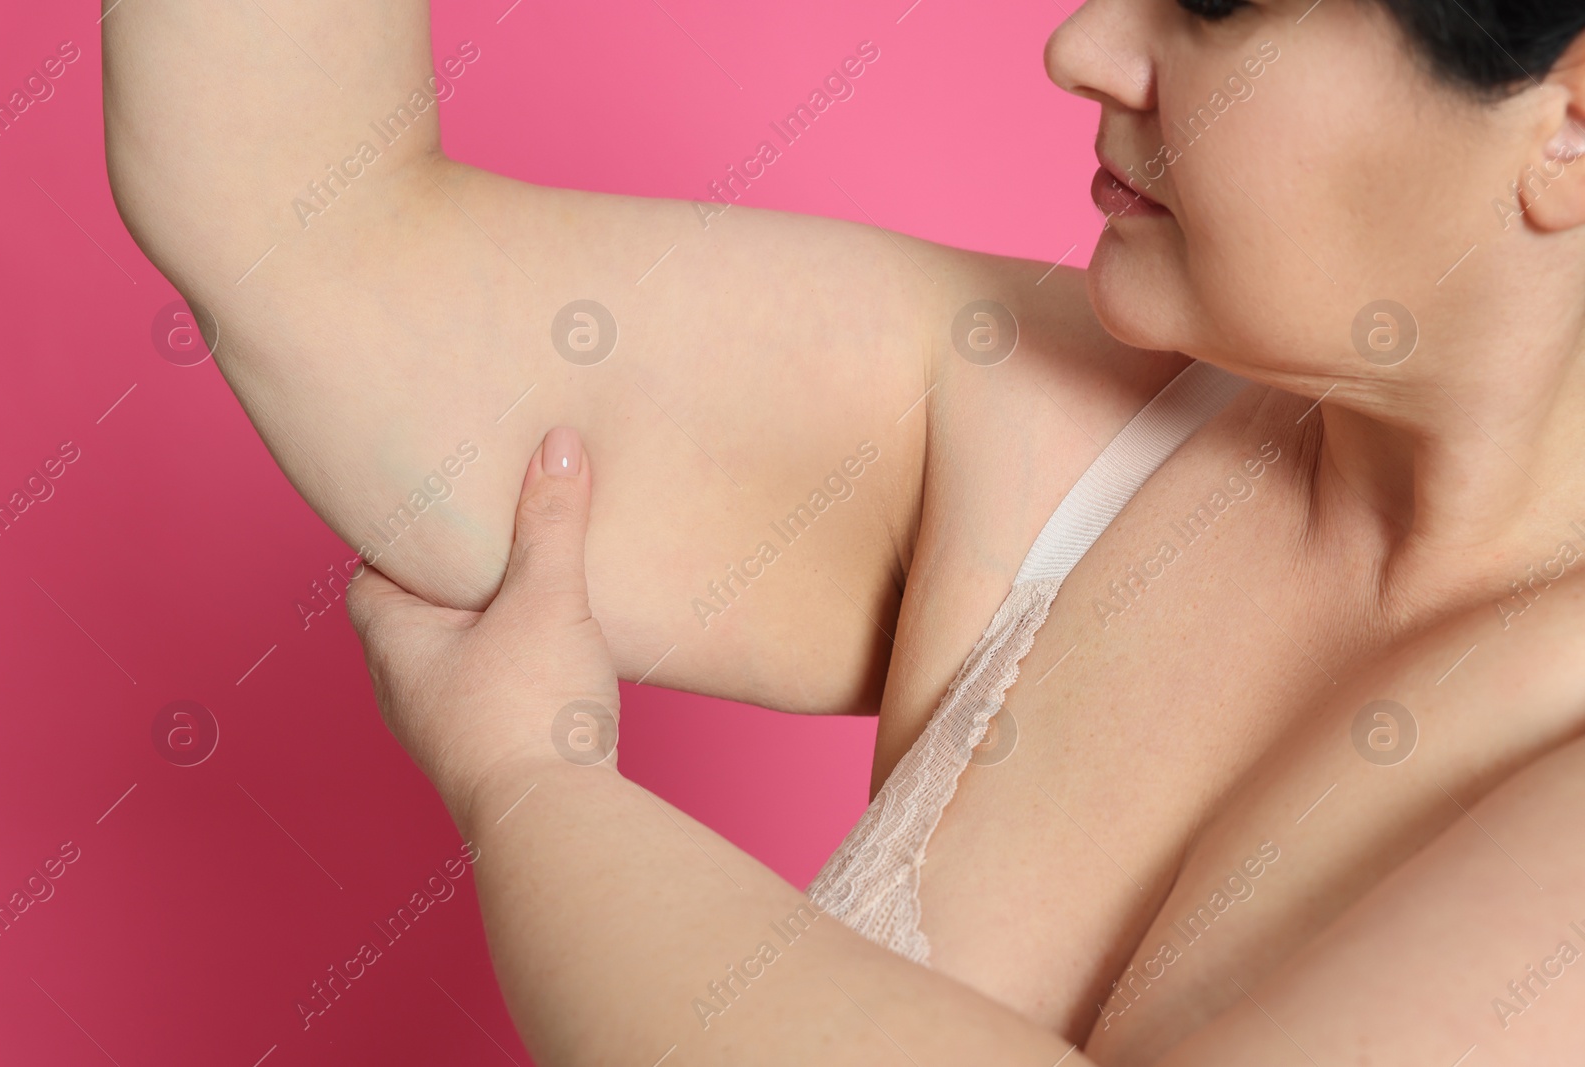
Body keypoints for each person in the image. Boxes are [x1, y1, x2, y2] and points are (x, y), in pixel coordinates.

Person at [103, 0, 1585, 1062]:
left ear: (1569, 115)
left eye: (1207, 3)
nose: (1081, 43)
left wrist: (535, 795)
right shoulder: (1054, 412)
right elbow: (308, 237)